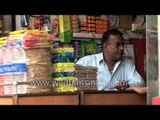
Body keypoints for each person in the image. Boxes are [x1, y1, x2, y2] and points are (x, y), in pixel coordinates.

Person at [76, 29, 144, 91]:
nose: (121, 48)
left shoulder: (127, 64)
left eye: (122, 45)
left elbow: (140, 82)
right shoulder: (86, 62)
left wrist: (128, 85)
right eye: (117, 45)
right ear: (105, 46)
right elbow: (75, 86)